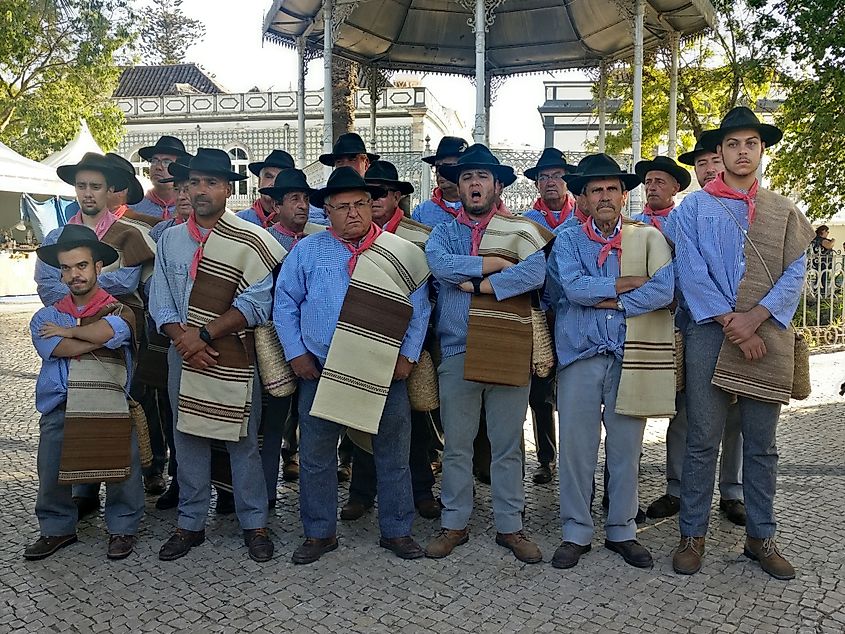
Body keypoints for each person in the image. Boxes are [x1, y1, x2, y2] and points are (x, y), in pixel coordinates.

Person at [671, 107, 813, 580]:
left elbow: (796, 274)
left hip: (765, 333)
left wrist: (754, 319)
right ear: (720, 152)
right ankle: (693, 533)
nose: (742, 151)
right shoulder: (693, 208)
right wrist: (732, 321)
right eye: (733, 144)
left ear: (762, 150)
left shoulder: (784, 211)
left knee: (762, 444)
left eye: (751, 143)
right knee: (702, 439)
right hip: (711, 332)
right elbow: (689, 269)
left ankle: (761, 537)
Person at [274, 167, 431, 564]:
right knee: (316, 455)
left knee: (393, 452)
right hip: (321, 369)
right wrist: (296, 352)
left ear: (370, 206)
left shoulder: (400, 253)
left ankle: (397, 530)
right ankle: (319, 533)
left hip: (383, 370)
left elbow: (421, 307)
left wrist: (407, 356)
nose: (353, 213)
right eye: (342, 206)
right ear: (326, 211)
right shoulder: (307, 251)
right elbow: (285, 304)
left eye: (360, 203)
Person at [150, 148, 285, 563]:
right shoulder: (169, 239)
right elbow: (160, 301)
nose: (201, 190)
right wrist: (184, 340)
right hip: (182, 352)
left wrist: (203, 334)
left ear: (228, 188)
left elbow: (259, 301)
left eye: (211, 182)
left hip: (234, 350)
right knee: (186, 436)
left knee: (243, 438)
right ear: (184, 188)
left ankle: (254, 523)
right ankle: (190, 524)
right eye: (193, 182)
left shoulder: (254, 239)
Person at [424, 144, 551, 563]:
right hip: (458, 347)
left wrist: (480, 284)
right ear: (457, 186)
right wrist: (493, 263)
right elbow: (440, 265)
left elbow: (535, 272)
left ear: (498, 185)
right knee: (457, 445)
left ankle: (510, 526)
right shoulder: (444, 230)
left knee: (507, 444)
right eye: (466, 177)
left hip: (509, 345)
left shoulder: (521, 229)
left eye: (481, 177)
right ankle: (455, 522)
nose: (473, 184)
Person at [549, 154, 674, 570]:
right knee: (576, 449)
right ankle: (576, 531)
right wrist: (626, 287)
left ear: (624, 195)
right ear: (582, 197)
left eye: (612, 189)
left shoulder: (646, 238)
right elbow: (573, 287)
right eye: (596, 189)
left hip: (630, 354)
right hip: (580, 355)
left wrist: (609, 298)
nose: (604, 196)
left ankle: (622, 530)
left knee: (626, 449)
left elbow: (664, 290)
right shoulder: (567, 239)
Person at [34, 152, 156, 518]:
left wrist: (76, 313)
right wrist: (82, 302)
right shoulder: (56, 236)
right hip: (89, 328)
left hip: (118, 333)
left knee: (115, 423)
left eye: (96, 186)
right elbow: (46, 285)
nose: (88, 193)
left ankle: (123, 517)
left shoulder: (128, 234)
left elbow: (125, 282)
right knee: (69, 420)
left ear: (110, 190)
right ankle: (81, 496)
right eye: (82, 185)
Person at [25, 224, 144, 561]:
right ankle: (57, 528)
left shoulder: (122, 311)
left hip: (110, 402)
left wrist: (71, 331)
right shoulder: (46, 316)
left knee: (122, 468)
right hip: (61, 403)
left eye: (81, 265)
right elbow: (56, 347)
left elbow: (113, 332)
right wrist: (87, 336)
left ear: (98, 267)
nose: (73, 274)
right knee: (51, 470)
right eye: (66, 267)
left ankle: (122, 527)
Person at [646, 141, 745, 525]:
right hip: (687, 325)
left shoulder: (749, 210)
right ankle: (677, 488)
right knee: (685, 413)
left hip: (739, 324)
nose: (707, 169)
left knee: (734, 413)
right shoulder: (687, 212)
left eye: (713, 161)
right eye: (701, 163)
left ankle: (732, 491)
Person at [339, 161, 441, 521]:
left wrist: (413, 350)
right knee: (359, 418)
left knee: (412, 422)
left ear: (397, 196)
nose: (376, 199)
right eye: (371, 193)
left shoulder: (421, 235)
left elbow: (430, 295)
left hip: (407, 344)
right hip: (359, 342)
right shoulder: (349, 236)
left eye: (382, 192)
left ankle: (421, 490)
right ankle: (362, 493)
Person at [255, 168, 326, 503]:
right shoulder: (262, 241)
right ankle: (265, 492)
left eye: (306, 198)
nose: (302, 206)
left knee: (314, 421)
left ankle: (314, 498)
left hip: (316, 344)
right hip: (274, 342)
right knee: (273, 422)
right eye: (294, 199)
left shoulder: (321, 237)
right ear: (277, 206)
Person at [521, 147, 579, 485]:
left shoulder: (580, 219)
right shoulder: (527, 223)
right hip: (540, 313)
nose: (550, 182)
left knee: (574, 388)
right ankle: (546, 458)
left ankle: (576, 457)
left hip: (573, 311)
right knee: (540, 390)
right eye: (543, 177)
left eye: (556, 176)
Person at [411, 136, 468, 227]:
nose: (440, 172)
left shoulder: (478, 207)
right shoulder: (422, 212)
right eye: (437, 167)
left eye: (448, 167)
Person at [133, 135, 192, 218]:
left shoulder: (190, 208)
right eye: (154, 161)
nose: (158, 167)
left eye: (167, 162)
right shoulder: (135, 208)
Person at [237, 150, 296, 228]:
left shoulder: (299, 221)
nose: (273, 183)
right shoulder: (239, 220)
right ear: (259, 181)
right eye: (269, 177)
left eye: (280, 178)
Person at [631, 155, 691, 232]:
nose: (651, 188)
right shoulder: (631, 224)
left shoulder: (685, 225)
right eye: (648, 182)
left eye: (659, 182)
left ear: (675, 188)